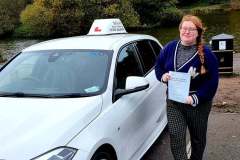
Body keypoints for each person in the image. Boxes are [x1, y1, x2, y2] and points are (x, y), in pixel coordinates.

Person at [155, 15, 219, 160]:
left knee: (197, 139)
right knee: (176, 137)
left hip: (197, 103)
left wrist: (196, 97)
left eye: (191, 29)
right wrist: (162, 76)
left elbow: (212, 83)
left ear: (198, 32)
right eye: (184, 28)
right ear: (179, 30)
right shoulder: (170, 47)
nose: (187, 31)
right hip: (174, 102)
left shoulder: (207, 54)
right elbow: (158, 65)